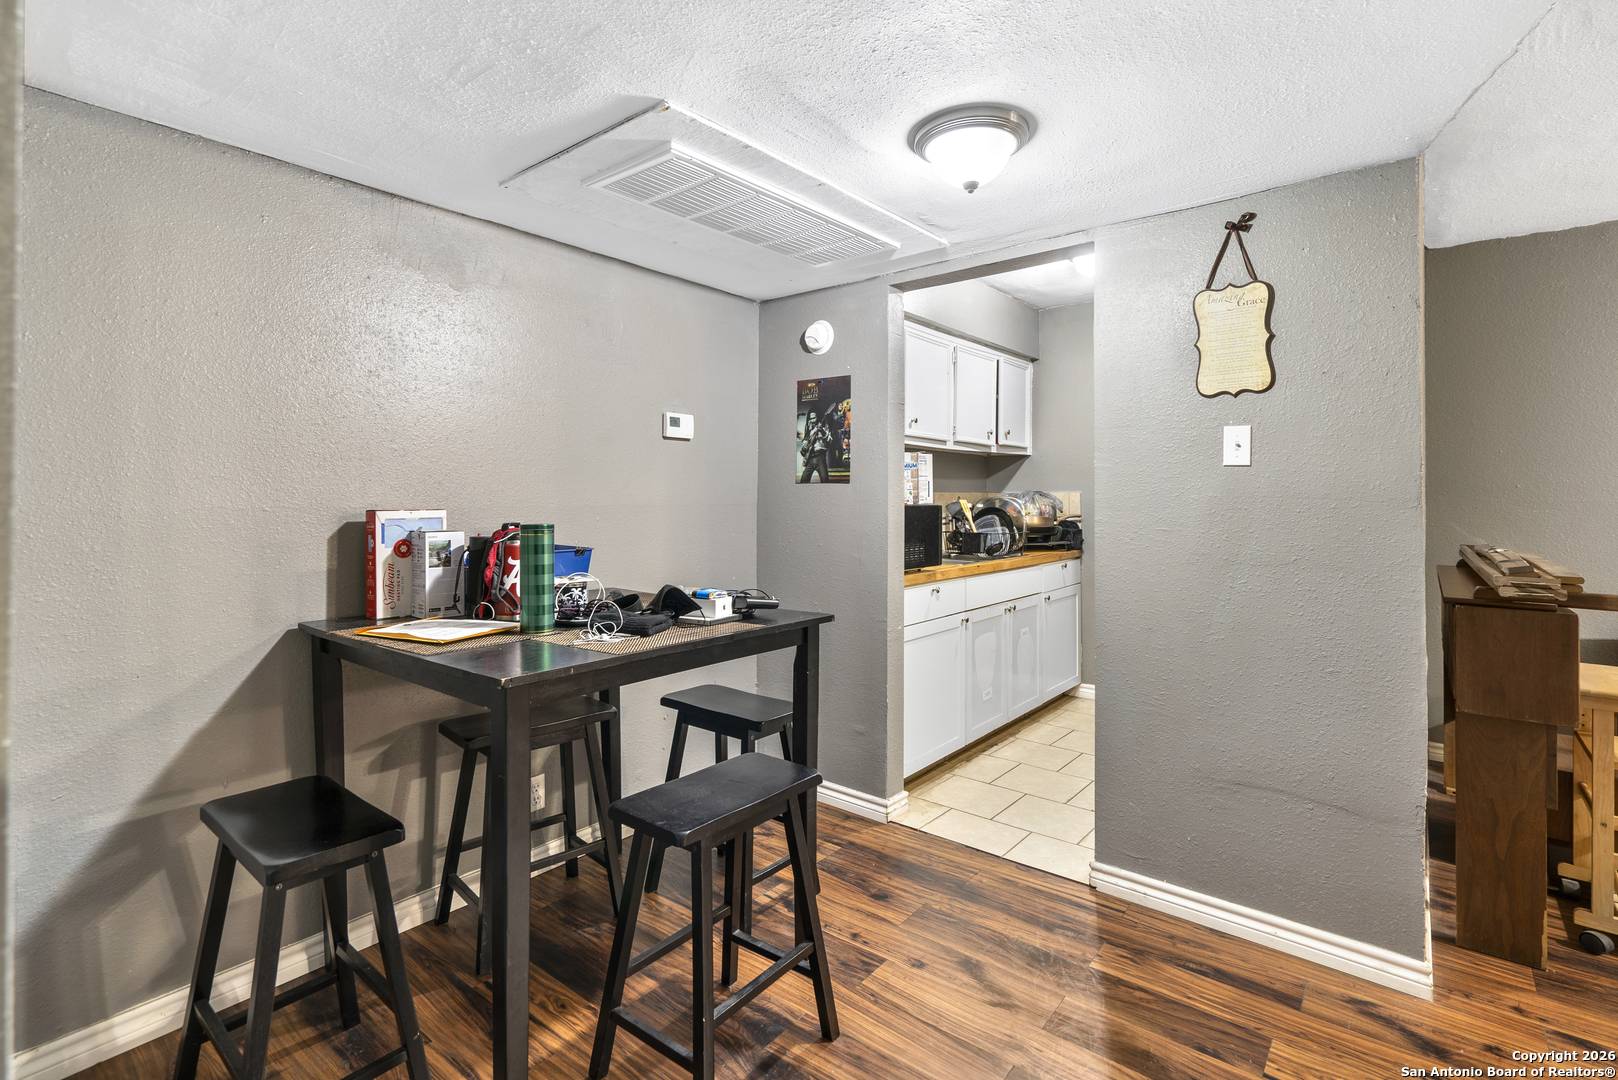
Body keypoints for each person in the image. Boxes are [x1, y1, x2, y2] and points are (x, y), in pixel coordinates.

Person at [800, 411, 831, 483]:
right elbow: (805, 444)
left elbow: (829, 440)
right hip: (810, 458)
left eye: (814, 418)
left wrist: (821, 430)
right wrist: (805, 446)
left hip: (820, 458)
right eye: (811, 418)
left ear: (818, 417)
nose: (812, 420)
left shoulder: (824, 427)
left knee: (825, 480)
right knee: (804, 480)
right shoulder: (809, 429)